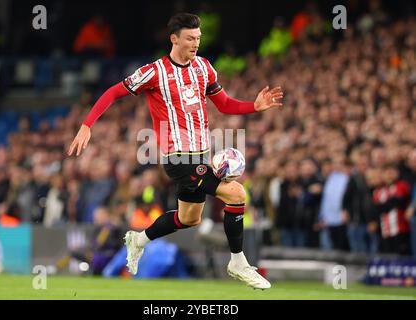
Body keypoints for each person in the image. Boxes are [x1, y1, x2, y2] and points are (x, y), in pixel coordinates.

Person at [67, 13, 283, 289]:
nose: (196, 43)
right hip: (177, 158)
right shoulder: (154, 72)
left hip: (200, 157)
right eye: (190, 38)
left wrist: (253, 106)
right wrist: (87, 125)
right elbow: (113, 92)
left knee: (188, 219)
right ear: (174, 39)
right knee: (236, 193)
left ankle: (139, 239)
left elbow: (225, 104)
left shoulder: (205, 68)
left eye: (199, 38)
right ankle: (238, 261)